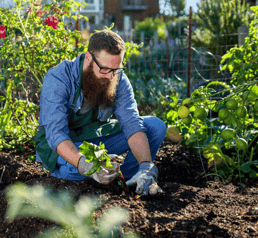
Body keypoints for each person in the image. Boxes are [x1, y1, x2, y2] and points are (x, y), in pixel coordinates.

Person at [34, 30, 167, 195]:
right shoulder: (59, 78)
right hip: (62, 144)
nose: (111, 77)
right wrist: (83, 163)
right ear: (89, 58)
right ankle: (63, 174)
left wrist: (146, 166)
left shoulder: (117, 78)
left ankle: (129, 179)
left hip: (95, 138)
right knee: (76, 170)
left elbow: (132, 123)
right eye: (105, 69)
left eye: (116, 69)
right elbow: (56, 134)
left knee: (155, 126)